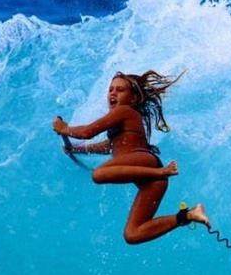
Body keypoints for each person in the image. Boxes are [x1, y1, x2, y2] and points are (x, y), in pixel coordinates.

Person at [52, 71, 209, 244]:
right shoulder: (125, 120)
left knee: (98, 174)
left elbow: (87, 132)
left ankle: (161, 172)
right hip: (153, 181)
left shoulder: (125, 111)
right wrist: (76, 149)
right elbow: (109, 146)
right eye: (111, 89)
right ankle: (188, 215)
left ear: (133, 99)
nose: (113, 93)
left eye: (120, 90)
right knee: (133, 234)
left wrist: (64, 128)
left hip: (148, 165)